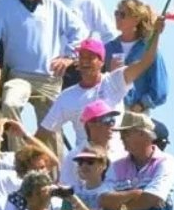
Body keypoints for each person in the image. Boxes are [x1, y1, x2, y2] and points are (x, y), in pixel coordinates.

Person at [0, 0, 86, 154]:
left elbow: (80, 31)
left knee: (52, 127)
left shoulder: (53, 3)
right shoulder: (6, 1)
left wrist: (69, 57)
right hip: (19, 76)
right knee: (10, 104)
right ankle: (21, 161)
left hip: (49, 79)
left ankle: (56, 178)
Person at [37, 13, 165, 154]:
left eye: (91, 57)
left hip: (115, 161)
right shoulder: (66, 97)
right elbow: (44, 133)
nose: (85, 61)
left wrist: (156, 34)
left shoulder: (114, 81)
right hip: (85, 161)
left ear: (101, 62)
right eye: (82, 57)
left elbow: (145, 62)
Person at [104, 0, 169, 114]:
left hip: (136, 114)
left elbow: (160, 88)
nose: (117, 17)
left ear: (135, 20)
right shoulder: (108, 49)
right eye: (116, 13)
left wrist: (141, 105)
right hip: (110, 111)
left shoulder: (149, 50)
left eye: (122, 14)